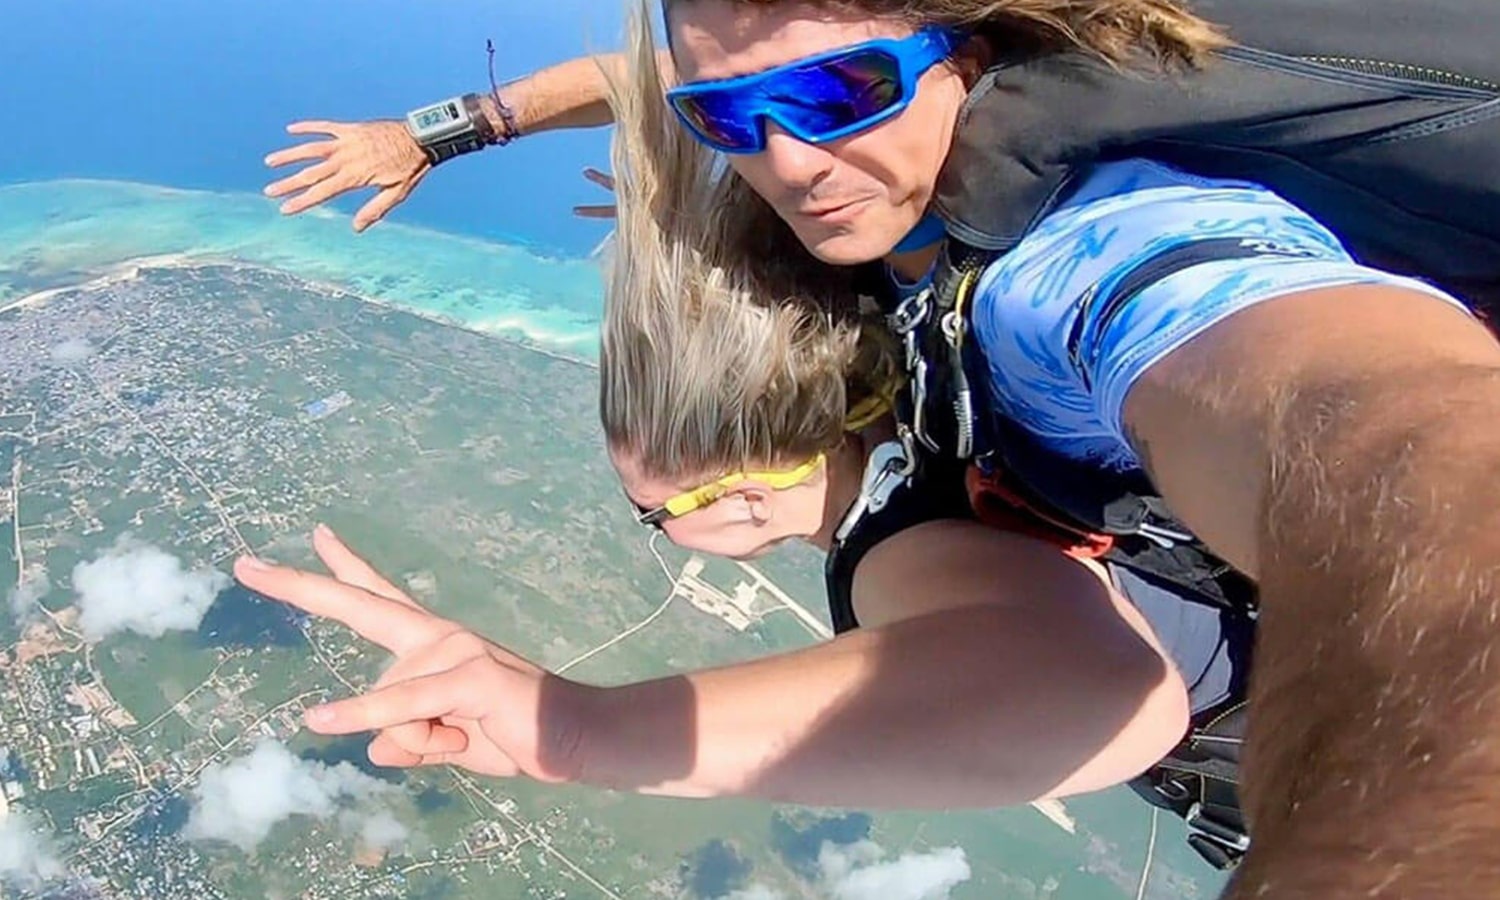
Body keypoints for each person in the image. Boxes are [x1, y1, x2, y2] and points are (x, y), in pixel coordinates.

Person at [260, 1, 1500, 893]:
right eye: (726, 118)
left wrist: (581, 732)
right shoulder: (877, 237)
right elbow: (681, 76)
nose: (789, 160)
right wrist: (450, 127)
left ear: (974, 42)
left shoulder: (1081, 264)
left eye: (845, 94)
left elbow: (1390, 447)